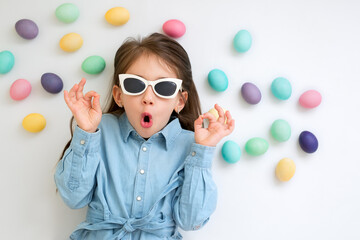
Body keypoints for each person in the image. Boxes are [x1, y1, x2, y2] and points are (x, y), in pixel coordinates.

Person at [55, 32, 235, 240]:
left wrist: (202, 153)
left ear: (179, 101)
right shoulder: (99, 131)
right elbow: (72, 197)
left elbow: (191, 221)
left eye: (164, 87)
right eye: (135, 85)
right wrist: (85, 132)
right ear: (119, 95)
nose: (148, 98)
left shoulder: (191, 146)